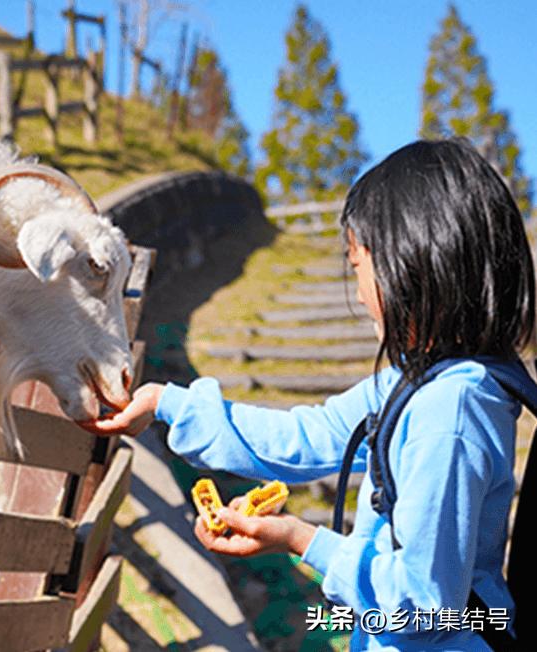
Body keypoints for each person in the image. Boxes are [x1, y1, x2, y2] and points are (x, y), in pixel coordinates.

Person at [89, 139, 534, 650]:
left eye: (357, 267)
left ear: (411, 260)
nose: (361, 291)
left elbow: (425, 605)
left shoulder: (451, 409)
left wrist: (301, 540)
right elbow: (308, 435)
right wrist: (168, 403)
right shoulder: (414, 387)